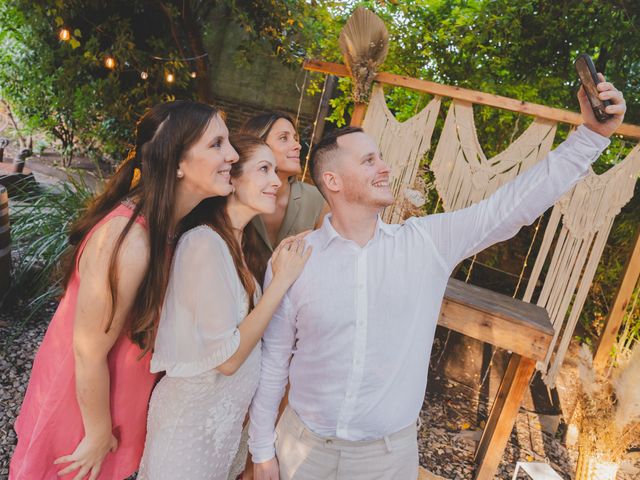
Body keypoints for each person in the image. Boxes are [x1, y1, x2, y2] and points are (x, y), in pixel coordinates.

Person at [249, 78, 626, 479]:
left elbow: (508, 208)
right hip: (302, 449)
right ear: (333, 181)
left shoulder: (425, 243)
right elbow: (273, 362)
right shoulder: (296, 259)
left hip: (386, 459)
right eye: (369, 161)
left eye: (380, 158)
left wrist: (591, 137)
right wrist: (261, 452)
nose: (385, 167)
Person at [10, 100, 239, 480]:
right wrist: (98, 433)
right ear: (177, 163)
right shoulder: (129, 239)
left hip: (116, 413)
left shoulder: (171, 230)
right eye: (216, 144)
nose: (231, 154)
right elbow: (87, 353)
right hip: (84, 419)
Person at [137, 134, 312, 480]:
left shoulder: (237, 245)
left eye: (275, 171)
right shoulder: (203, 243)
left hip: (221, 428)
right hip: (189, 427)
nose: (276, 181)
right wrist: (280, 284)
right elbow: (228, 359)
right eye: (264, 169)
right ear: (232, 179)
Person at [241, 112, 328, 282]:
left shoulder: (317, 200)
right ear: (257, 145)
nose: (298, 145)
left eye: (295, 138)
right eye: (284, 138)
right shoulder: (235, 198)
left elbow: (322, 268)